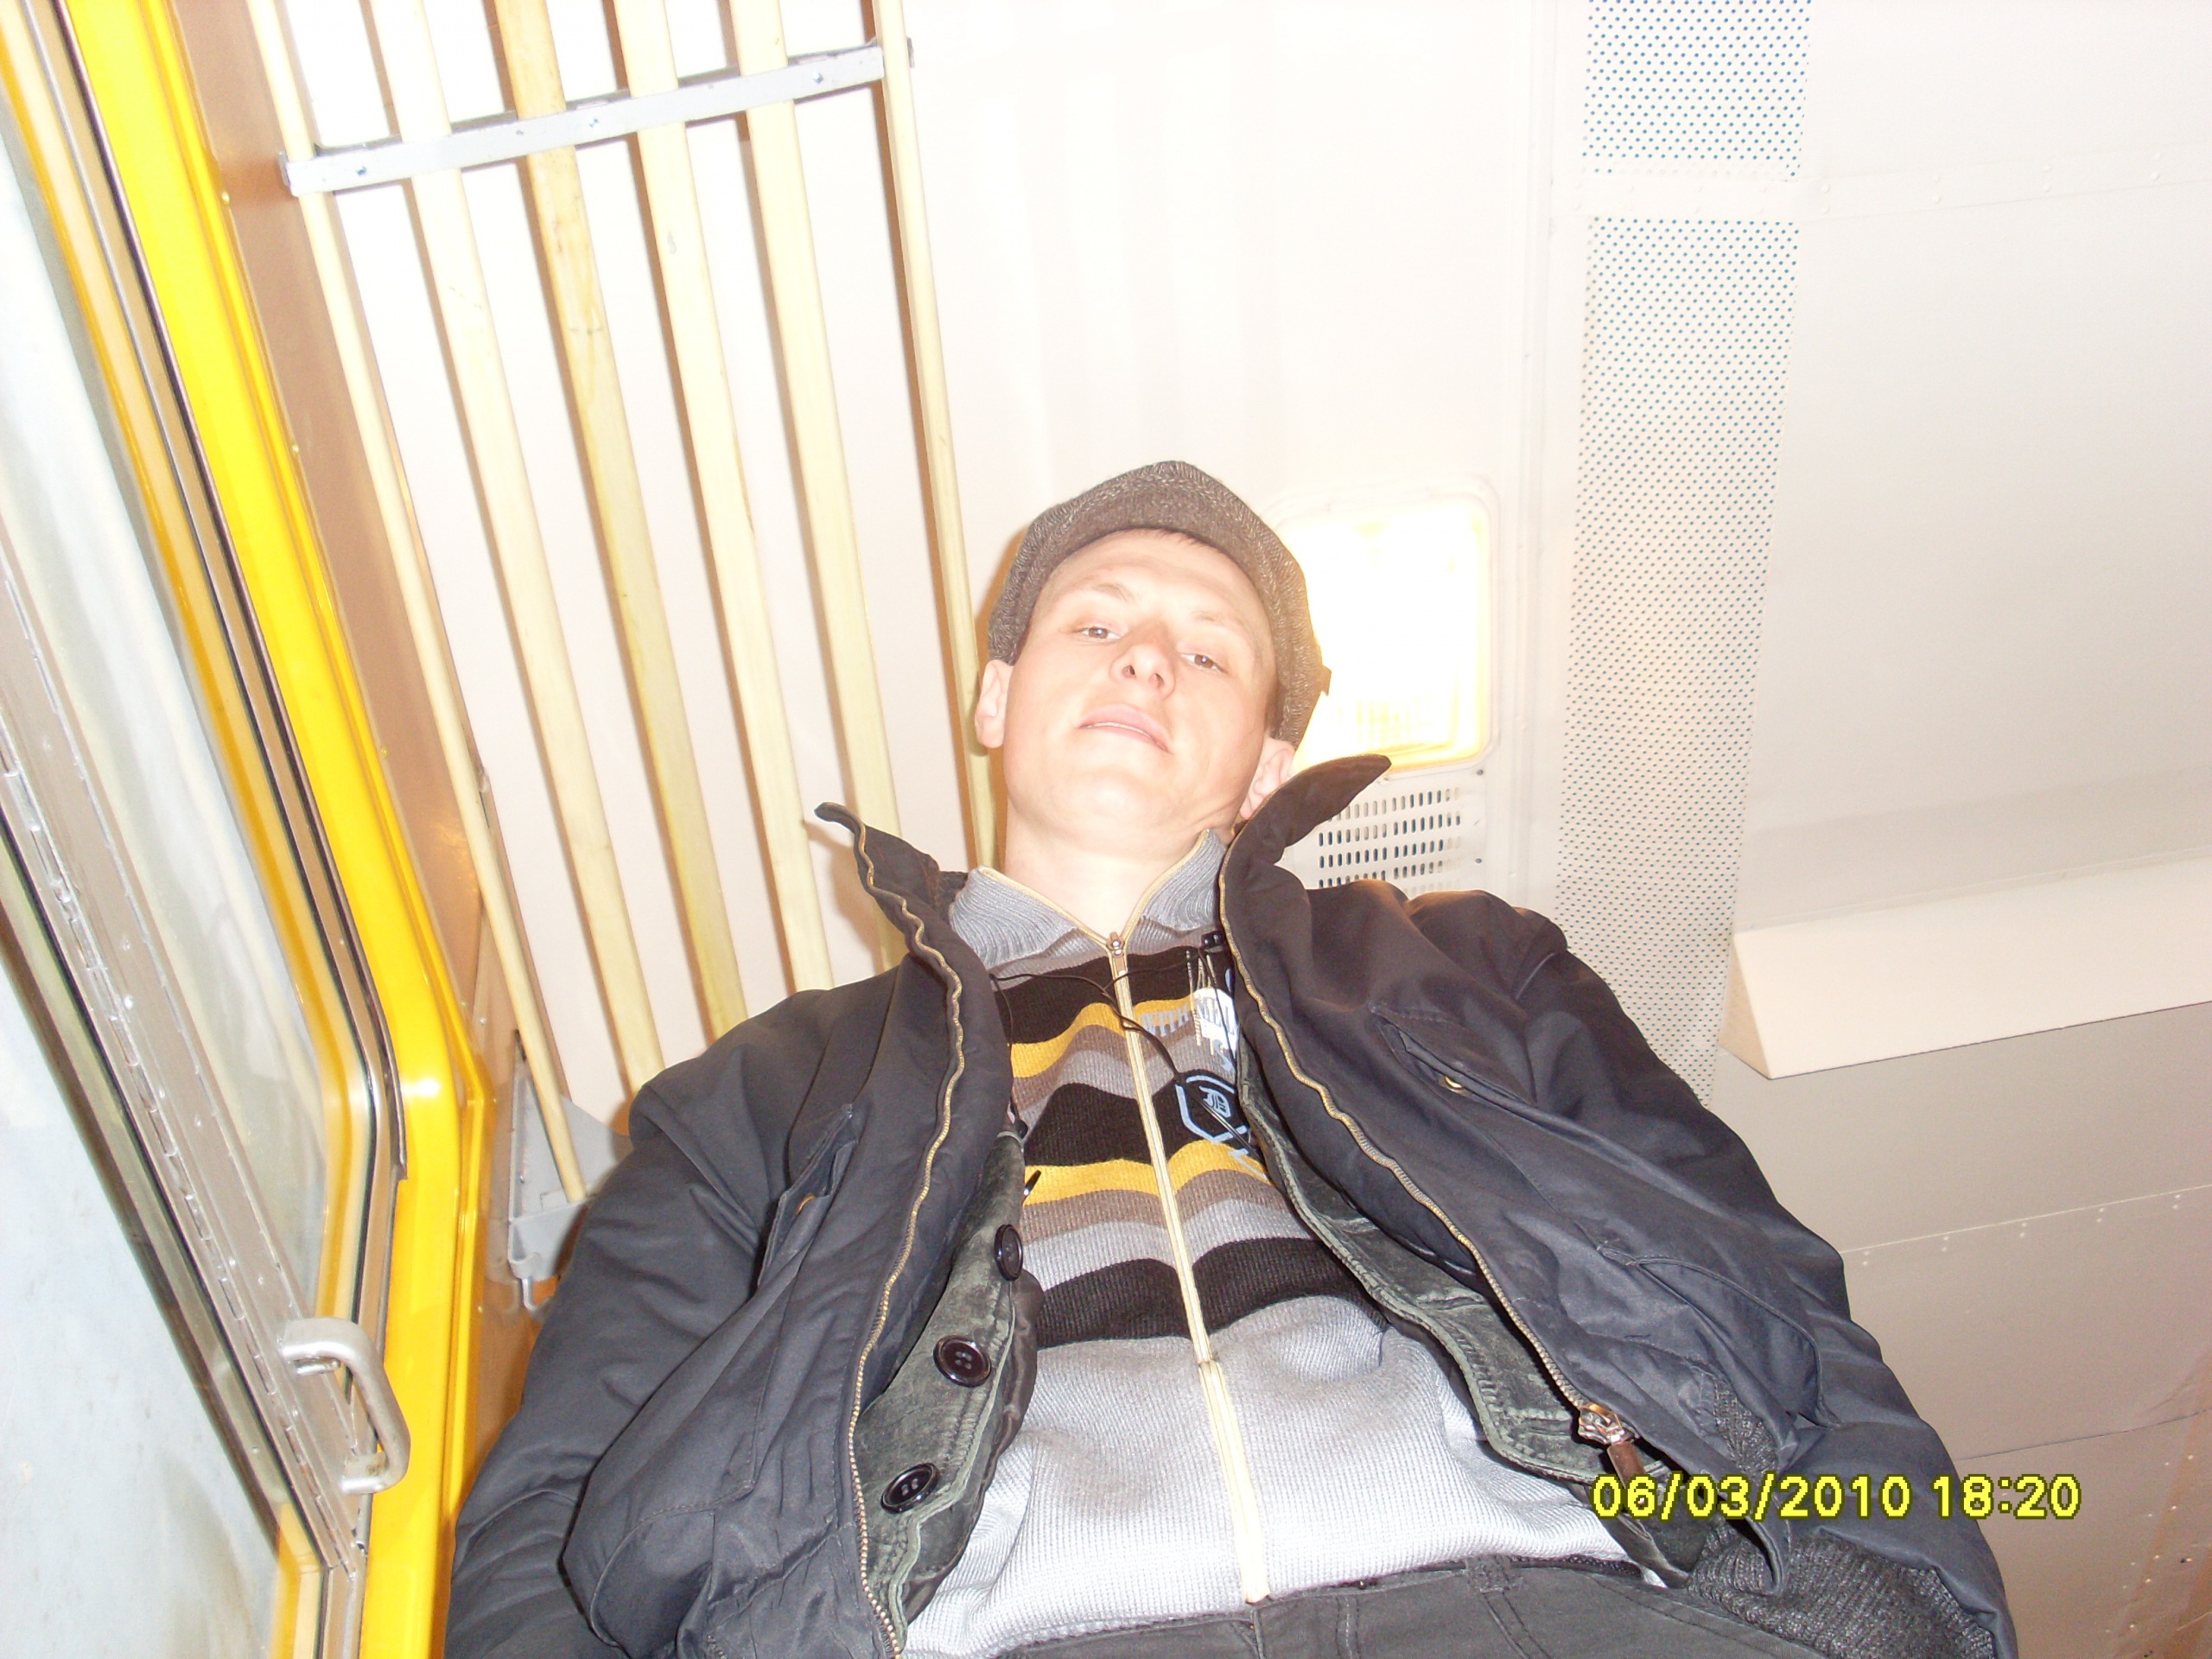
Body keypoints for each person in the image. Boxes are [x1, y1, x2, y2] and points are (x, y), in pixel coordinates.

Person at [447, 461, 2013, 1659]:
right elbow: (564, 1494)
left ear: (1266, 763)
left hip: (1553, 1601)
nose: (1148, 661)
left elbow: (1761, 1283)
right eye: (1099, 622)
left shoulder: (1471, 965)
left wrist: (1897, 1602)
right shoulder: (764, 1087)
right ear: (996, 696)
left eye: (1209, 654)